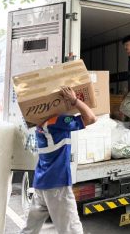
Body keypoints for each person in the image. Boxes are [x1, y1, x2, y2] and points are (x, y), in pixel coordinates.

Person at [21, 86, 97, 234]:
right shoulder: (58, 121)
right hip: (57, 185)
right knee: (72, 229)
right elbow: (91, 118)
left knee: (30, 229)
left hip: (41, 184)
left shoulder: (39, 126)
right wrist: (74, 100)